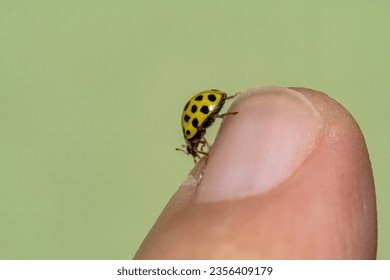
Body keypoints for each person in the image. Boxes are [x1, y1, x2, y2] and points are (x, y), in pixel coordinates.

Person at [135, 86, 377, 259]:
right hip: (214, 101)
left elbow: (203, 125)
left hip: (213, 102)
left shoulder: (193, 134)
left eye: (193, 148)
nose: (196, 149)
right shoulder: (193, 133)